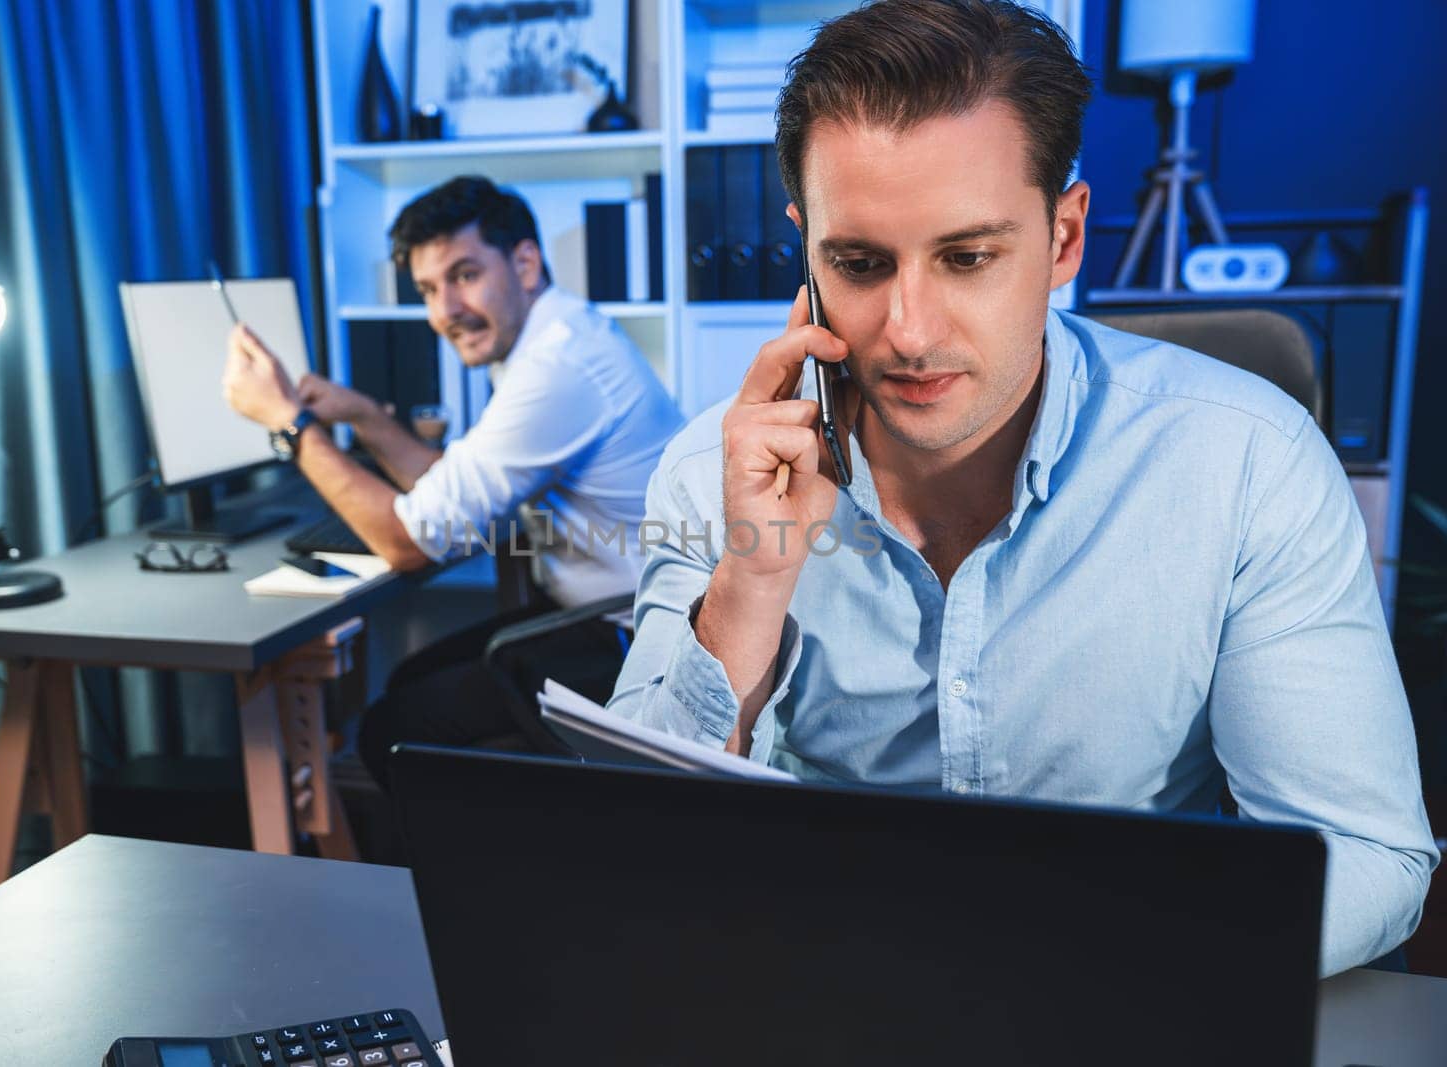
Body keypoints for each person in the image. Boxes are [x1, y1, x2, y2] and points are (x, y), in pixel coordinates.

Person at [607, 0, 1437, 977]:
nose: (909, 330)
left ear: (1063, 238)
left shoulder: (1247, 460)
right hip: (815, 991)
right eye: (860, 262)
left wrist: (1061, 957)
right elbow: (619, 848)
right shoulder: (720, 465)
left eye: (966, 256)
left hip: (1126, 993)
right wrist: (751, 582)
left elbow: (1367, 854)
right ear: (806, 246)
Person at [223, 175, 684, 786]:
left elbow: (407, 542)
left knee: (393, 732)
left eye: (464, 276)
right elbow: (450, 489)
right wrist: (361, 415)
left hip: (635, 646)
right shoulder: (555, 334)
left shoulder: (556, 368)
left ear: (524, 263)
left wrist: (290, 424)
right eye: (428, 290)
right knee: (411, 682)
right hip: (609, 614)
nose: (444, 312)